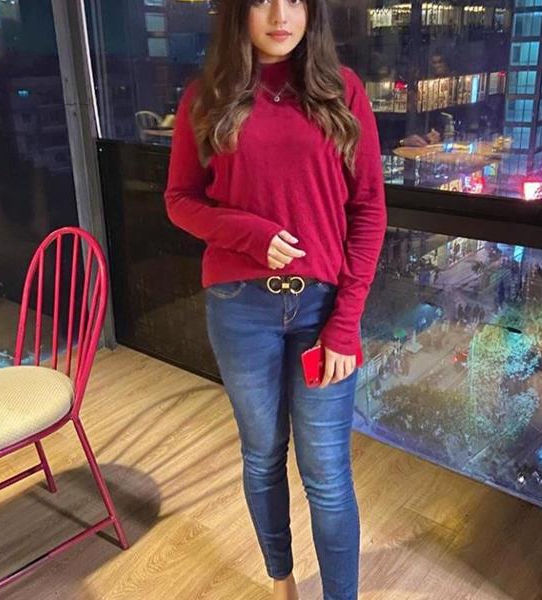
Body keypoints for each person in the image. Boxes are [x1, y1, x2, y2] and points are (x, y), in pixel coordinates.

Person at [164, 1, 387, 598]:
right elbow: (180, 199)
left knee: (327, 473)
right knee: (263, 455)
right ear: (240, 12)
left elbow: (369, 210)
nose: (280, 15)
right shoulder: (207, 98)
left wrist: (346, 323)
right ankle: (280, 580)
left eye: (295, 0)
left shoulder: (343, 92)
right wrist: (251, 235)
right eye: (263, 0)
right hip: (240, 307)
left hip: (323, 309)